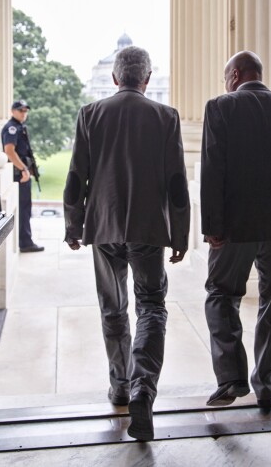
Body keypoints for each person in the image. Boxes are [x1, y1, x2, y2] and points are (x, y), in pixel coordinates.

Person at [63, 45, 190, 441]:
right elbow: (177, 185)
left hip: (103, 226)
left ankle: (120, 384)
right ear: (146, 79)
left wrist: (73, 225)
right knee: (151, 307)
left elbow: (75, 179)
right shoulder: (165, 116)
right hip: (150, 228)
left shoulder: (90, 114)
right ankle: (143, 388)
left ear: (116, 78)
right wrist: (181, 233)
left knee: (112, 307)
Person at [200, 51, 271, 412]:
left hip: (235, 225)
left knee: (221, 294)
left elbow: (211, 171)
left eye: (225, 79)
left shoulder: (220, 107)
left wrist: (212, 226)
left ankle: (232, 378)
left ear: (234, 75)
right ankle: (266, 384)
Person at [1, 100, 44, 253]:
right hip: (19, 174)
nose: (24, 113)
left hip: (22, 173)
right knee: (24, 209)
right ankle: (25, 242)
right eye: (21, 111)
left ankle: (26, 240)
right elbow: (9, 151)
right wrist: (24, 169)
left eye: (25, 111)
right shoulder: (12, 128)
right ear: (13, 111)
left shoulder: (20, 127)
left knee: (25, 208)